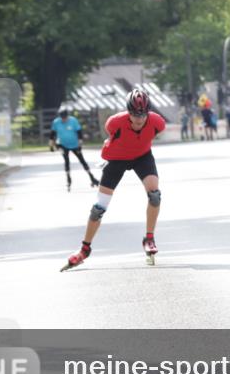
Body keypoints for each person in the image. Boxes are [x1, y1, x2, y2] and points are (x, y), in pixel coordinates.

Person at [62, 88, 166, 270]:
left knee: (155, 196)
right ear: (128, 112)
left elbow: (148, 136)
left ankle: (149, 238)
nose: (139, 119)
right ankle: (84, 249)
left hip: (142, 157)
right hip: (116, 159)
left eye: (143, 115)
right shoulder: (115, 122)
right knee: (98, 209)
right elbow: (113, 135)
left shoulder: (157, 122)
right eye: (135, 115)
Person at [49, 107, 99, 191]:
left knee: (82, 161)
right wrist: (51, 146)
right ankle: (68, 179)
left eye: (65, 117)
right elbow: (52, 135)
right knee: (66, 161)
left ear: (67, 116)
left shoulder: (73, 121)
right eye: (62, 117)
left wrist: (80, 145)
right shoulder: (56, 122)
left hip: (74, 144)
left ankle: (92, 177)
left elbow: (79, 133)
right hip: (63, 144)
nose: (64, 119)